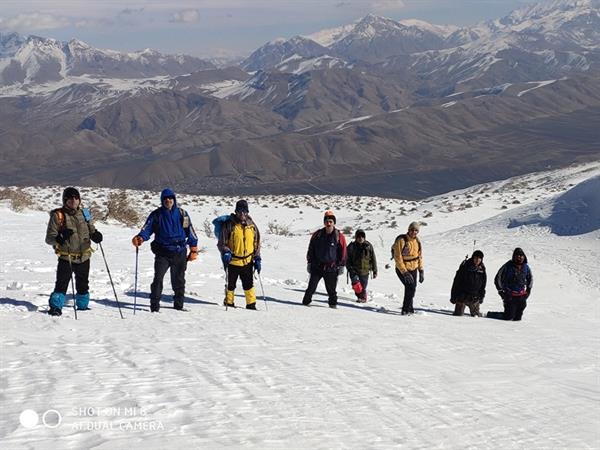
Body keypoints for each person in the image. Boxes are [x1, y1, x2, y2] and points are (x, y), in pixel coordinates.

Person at [132, 188, 198, 312]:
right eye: (165, 199)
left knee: (178, 280)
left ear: (174, 199)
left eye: (170, 198)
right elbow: (147, 229)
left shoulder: (182, 214)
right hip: (163, 252)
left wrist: (193, 248)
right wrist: (140, 238)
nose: (168, 200)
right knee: (158, 279)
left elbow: (190, 231)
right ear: (162, 200)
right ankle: (154, 306)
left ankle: (179, 305)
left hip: (179, 251)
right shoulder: (156, 215)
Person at [45, 187, 103, 316]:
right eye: (70, 198)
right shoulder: (58, 215)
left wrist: (96, 235)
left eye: (76, 198)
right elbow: (49, 239)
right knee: (62, 283)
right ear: (65, 200)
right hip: (67, 256)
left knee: (83, 283)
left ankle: (82, 306)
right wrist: (60, 238)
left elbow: (91, 229)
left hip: (84, 256)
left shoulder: (85, 213)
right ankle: (55, 307)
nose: (74, 201)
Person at [217, 199, 261, 309]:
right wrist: (226, 252)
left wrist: (258, 258)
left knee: (249, 285)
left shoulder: (252, 225)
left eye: (245, 211)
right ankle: (229, 302)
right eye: (240, 211)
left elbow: (257, 243)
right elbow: (221, 243)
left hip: (248, 261)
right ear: (236, 211)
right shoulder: (229, 225)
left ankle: (251, 304)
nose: (242, 214)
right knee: (231, 285)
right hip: (233, 261)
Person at [303, 210, 347, 309]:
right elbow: (311, 249)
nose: (328, 223)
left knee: (331, 290)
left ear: (334, 223)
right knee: (311, 287)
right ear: (324, 222)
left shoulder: (339, 236)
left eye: (330, 221)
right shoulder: (317, 235)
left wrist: (342, 265)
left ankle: (332, 305)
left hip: (331, 268)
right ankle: (305, 304)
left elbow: (343, 251)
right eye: (327, 221)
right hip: (317, 266)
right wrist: (309, 262)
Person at [393, 221, 424, 315]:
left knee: (412, 289)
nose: (414, 232)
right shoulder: (402, 241)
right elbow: (398, 258)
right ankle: (406, 309)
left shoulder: (417, 241)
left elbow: (419, 256)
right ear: (408, 230)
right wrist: (404, 272)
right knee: (410, 287)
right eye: (412, 230)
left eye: (416, 230)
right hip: (402, 269)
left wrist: (421, 270)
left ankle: (409, 308)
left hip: (413, 268)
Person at [495, 247, 533, 321]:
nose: (519, 257)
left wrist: (528, 290)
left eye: (521, 255)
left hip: (521, 295)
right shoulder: (507, 266)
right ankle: (491, 315)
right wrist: (501, 291)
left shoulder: (526, 267)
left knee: (517, 318)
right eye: (517, 255)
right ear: (514, 256)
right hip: (509, 295)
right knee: (508, 317)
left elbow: (530, 278)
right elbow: (497, 278)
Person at [450, 250, 486, 317]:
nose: (477, 260)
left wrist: (481, 296)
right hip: (462, 296)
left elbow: (483, 285)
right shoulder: (465, 266)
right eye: (475, 258)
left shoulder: (482, 269)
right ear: (473, 258)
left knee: (476, 316)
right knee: (458, 315)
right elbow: (456, 282)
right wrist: (453, 296)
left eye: (479, 258)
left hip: (474, 297)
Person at [346, 229, 377, 303]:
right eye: (359, 236)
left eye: (362, 236)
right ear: (356, 237)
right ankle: (360, 296)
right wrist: (349, 268)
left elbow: (373, 258)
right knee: (356, 285)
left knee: (363, 287)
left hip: (365, 271)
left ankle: (362, 298)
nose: (361, 238)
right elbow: (346, 258)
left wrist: (375, 270)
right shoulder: (351, 246)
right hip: (354, 270)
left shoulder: (368, 246)